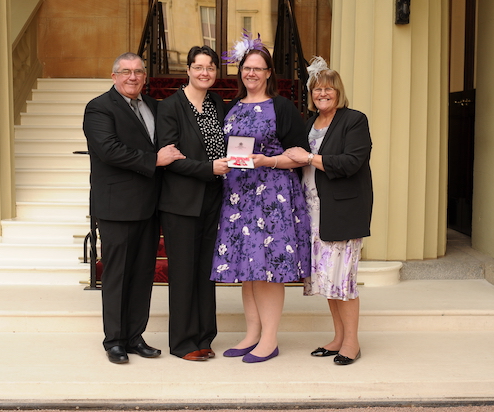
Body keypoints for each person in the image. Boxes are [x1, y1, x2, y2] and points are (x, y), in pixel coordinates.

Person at [211, 32, 311, 363]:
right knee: (248, 266)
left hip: (273, 194)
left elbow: (300, 155)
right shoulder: (232, 107)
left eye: (258, 68)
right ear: (240, 73)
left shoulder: (281, 107)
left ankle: (269, 338)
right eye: (246, 68)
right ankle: (252, 334)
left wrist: (268, 160)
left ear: (269, 73)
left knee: (269, 268)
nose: (251, 73)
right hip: (239, 195)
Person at [83, 52, 185, 364]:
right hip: (116, 206)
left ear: (145, 76)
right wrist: (154, 160)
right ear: (114, 76)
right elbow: (109, 150)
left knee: (142, 275)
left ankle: (134, 336)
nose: (132, 77)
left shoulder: (155, 106)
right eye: (126, 72)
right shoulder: (99, 107)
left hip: (150, 206)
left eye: (138, 71)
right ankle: (114, 340)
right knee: (117, 275)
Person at [284, 56, 373, 366]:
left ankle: (352, 342)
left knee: (344, 281)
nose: (322, 93)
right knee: (329, 281)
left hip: (342, 212)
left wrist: (309, 158)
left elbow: (351, 162)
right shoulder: (309, 123)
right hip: (314, 212)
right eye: (316, 89)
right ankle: (338, 337)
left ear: (338, 92)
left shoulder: (354, 120)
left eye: (328, 89)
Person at [157, 46, 231, 361]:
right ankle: (183, 342)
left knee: (205, 271)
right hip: (181, 202)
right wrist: (208, 168)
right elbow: (170, 159)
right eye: (198, 67)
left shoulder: (217, 103)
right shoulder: (171, 107)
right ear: (188, 70)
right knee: (184, 272)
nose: (205, 73)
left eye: (210, 67)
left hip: (214, 199)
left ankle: (204, 336)